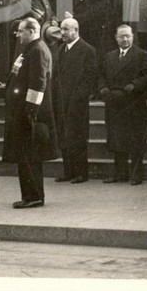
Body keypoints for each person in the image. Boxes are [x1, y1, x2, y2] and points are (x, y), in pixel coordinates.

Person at [3, 18, 58, 208]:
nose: (17, 34)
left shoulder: (37, 50)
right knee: (25, 156)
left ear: (32, 31)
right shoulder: (31, 49)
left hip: (29, 114)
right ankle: (29, 195)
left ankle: (34, 196)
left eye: (21, 31)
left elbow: (38, 82)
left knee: (30, 156)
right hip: (23, 112)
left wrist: (30, 111)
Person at [97, 25, 147, 185]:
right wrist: (102, 87)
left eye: (128, 36)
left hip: (133, 103)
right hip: (114, 103)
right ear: (116, 38)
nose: (125, 39)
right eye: (122, 36)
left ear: (133, 37)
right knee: (116, 138)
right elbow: (101, 75)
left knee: (135, 140)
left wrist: (135, 85)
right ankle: (120, 173)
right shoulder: (109, 56)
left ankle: (136, 175)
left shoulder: (142, 55)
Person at [51, 18, 97, 184]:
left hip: (77, 103)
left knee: (78, 137)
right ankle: (68, 171)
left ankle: (81, 173)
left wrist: (78, 97)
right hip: (61, 101)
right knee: (64, 137)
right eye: (61, 29)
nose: (62, 33)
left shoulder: (87, 50)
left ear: (76, 30)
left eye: (66, 29)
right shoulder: (61, 49)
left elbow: (90, 78)